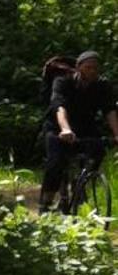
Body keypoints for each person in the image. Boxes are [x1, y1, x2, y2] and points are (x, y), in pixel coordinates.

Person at [40, 50, 118, 211]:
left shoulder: (102, 86)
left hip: (85, 128)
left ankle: (81, 186)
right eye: (88, 67)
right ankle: (46, 202)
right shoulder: (63, 82)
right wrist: (65, 129)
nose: (92, 71)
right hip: (58, 128)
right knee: (55, 163)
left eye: (96, 68)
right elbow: (58, 106)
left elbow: (109, 111)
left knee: (98, 150)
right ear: (78, 67)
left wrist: (116, 133)